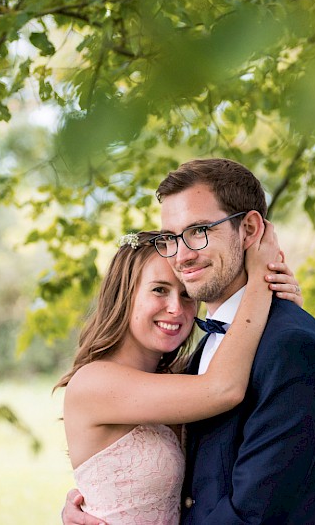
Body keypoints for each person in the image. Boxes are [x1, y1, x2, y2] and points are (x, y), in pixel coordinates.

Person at [63, 158, 315, 524]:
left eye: (199, 231)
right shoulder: (197, 361)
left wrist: (269, 296)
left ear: (250, 229)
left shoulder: (289, 344)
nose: (182, 255)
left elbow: (257, 512)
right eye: (173, 237)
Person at [55, 221, 296, 524]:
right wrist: (260, 279)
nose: (176, 309)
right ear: (123, 295)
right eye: (159, 290)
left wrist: (281, 309)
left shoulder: (182, 376)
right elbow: (222, 389)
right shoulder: (95, 382)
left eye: (186, 295)